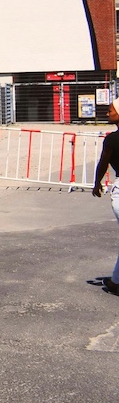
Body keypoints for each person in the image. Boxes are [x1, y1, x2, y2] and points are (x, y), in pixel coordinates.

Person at [91, 99, 119, 296]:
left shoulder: (111, 140)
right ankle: (115, 281)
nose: (108, 113)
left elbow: (103, 164)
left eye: (111, 110)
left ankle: (116, 282)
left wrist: (97, 183)